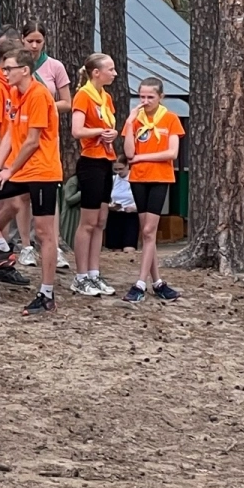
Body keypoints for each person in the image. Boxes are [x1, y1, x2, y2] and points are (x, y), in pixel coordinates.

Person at [0, 43, 65, 314]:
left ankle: (46, 294)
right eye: (3, 67)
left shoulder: (39, 95)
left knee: (44, 233)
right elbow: (9, 135)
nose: (4, 72)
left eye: (8, 68)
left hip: (42, 172)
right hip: (17, 170)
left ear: (24, 69)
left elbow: (32, 142)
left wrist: (9, 170)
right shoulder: (14, 94)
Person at [120, 77, 184, 303]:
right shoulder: (136, 120)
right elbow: (129, 153)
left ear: (161, 97)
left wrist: (142, 157)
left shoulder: (170, 119)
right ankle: (157, 282)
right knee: (146, 233)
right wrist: (129, 123)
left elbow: (172, 153)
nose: (145, 101)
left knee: (149, 231)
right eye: (142, 96)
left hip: (160, 177)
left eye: (150, 97)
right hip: (138, 178)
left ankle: (139, 283)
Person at [16, 24, 72, 273]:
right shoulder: (16, 66)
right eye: (30, 40)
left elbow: (67, 102)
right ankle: (25, 245)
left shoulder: (54, 67)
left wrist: (44, 103)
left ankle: (53, 244)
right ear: (22, 40)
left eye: (39, 41)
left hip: (46, 137)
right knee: (22, 193)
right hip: (20, 135)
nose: (34, 46)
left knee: (49, 189)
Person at [69, 54, 122, 297]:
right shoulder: (83, 95)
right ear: (96, 73)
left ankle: (93, 272)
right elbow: (77, 130)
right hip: (90, 162)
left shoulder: (107, 98)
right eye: (110, 69)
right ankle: (79, 276)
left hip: (106, 161)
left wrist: (112, 133)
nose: (115, 73)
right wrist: (101, 130)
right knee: (88, 222)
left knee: (101, 220)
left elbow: (109, 127)